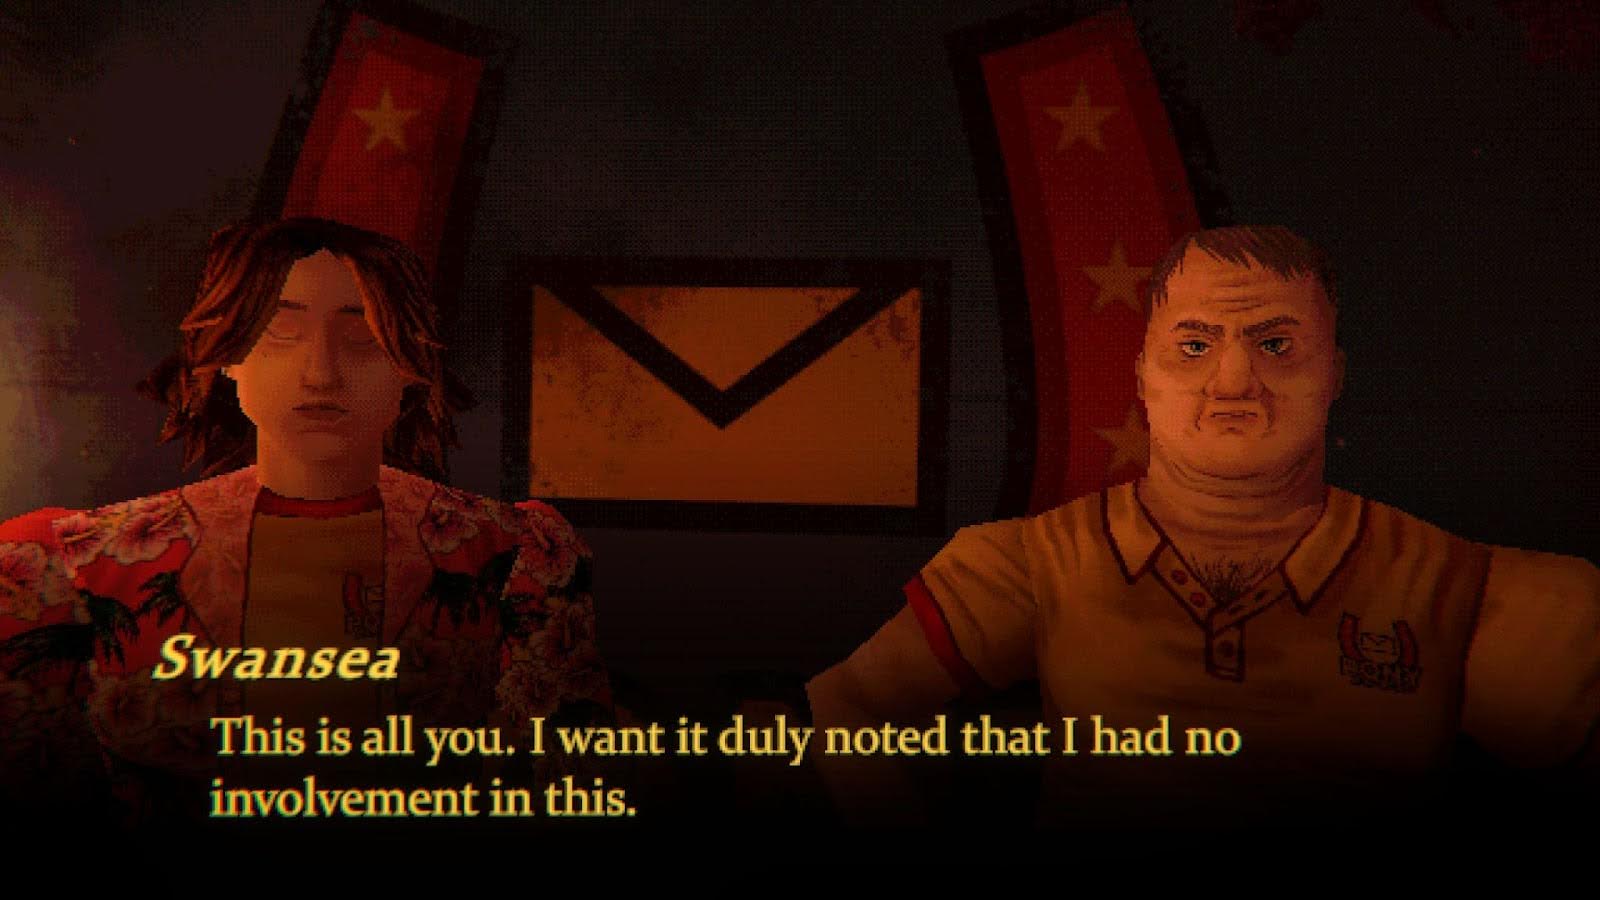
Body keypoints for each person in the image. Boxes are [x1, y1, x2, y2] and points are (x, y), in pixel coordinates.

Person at [806, 225, 1600, 827]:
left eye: (1276, 345)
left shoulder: (1462, 586)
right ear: (1142, 374)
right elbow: (848, 711)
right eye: (1194, 345)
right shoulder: (1037, 562)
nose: (1233, 380)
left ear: (1334, 373)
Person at [0, 217, 609, 824]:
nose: (321, 373)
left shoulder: (513, 552)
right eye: (280, 333)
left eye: (363, 338)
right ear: (228, 354)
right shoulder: (77, 564)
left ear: (410, 364)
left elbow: (565, 796)